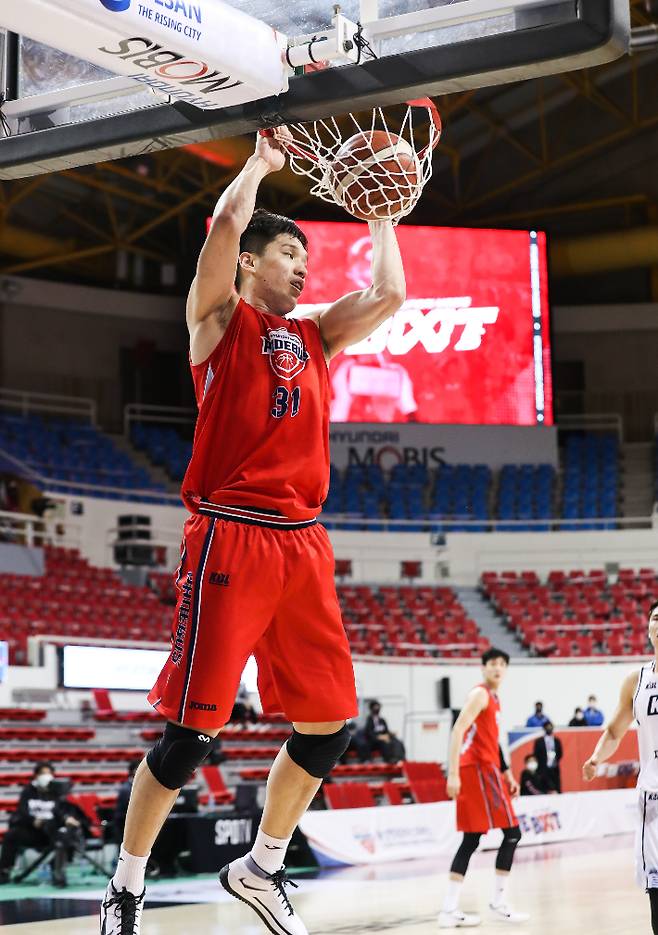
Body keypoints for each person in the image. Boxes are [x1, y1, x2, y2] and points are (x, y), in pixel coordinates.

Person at [100, 127, 406, 935]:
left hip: (303, 540)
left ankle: (262, 866)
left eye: (306, 258)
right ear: (248, 264)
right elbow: (226, 224)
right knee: (190, 735)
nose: (301, 266)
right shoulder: (218, 322)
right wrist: (260, 167)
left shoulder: (316, 336)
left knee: (331, 723)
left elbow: (391, 297)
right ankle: (125, 887)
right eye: (287, 255)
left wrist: (383, 215)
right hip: (230, 535)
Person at [583, 600, 658, 934]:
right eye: (656, 618)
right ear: (648, 629)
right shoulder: (636, 680)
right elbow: (614, 730)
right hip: (652, 797)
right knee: (656, 887)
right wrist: (597, 757)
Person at [439, 648, 529, 928]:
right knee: (512, 833)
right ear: (483, 668)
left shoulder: (495, 699)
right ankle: (498, 902)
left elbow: (494, 742)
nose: (498, 668)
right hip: (475, 770)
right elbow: (457, 730)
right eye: (492, 664)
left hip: (488, 770)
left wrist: (508, 773)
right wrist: (452, 773)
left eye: (502, 664)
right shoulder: (480, 695)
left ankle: (449, 909)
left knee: (472, 839)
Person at [0, 762, 84, 887]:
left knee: (68, 836)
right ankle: (4, 871)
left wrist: (67, 819)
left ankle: (55, 869)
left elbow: (62, 812)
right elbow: (22, 812)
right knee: (11, 835)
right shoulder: (28, 791)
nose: (47, 776)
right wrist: (33, 820)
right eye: (43, 773)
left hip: (52, 830)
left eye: (49, 773)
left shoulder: (57, 792)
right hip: (33, 831)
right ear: (36, 775)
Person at [533, 721, 563, 793]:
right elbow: (536, 754)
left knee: (556, 789)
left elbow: (560, 753)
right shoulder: (539, 741)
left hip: (554, 768)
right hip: (543, 769)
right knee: (544, 789)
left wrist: (554, 760)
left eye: (550, 727)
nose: (549, 728)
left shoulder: (557, 741)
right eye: (547, 727)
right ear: (544, 728)